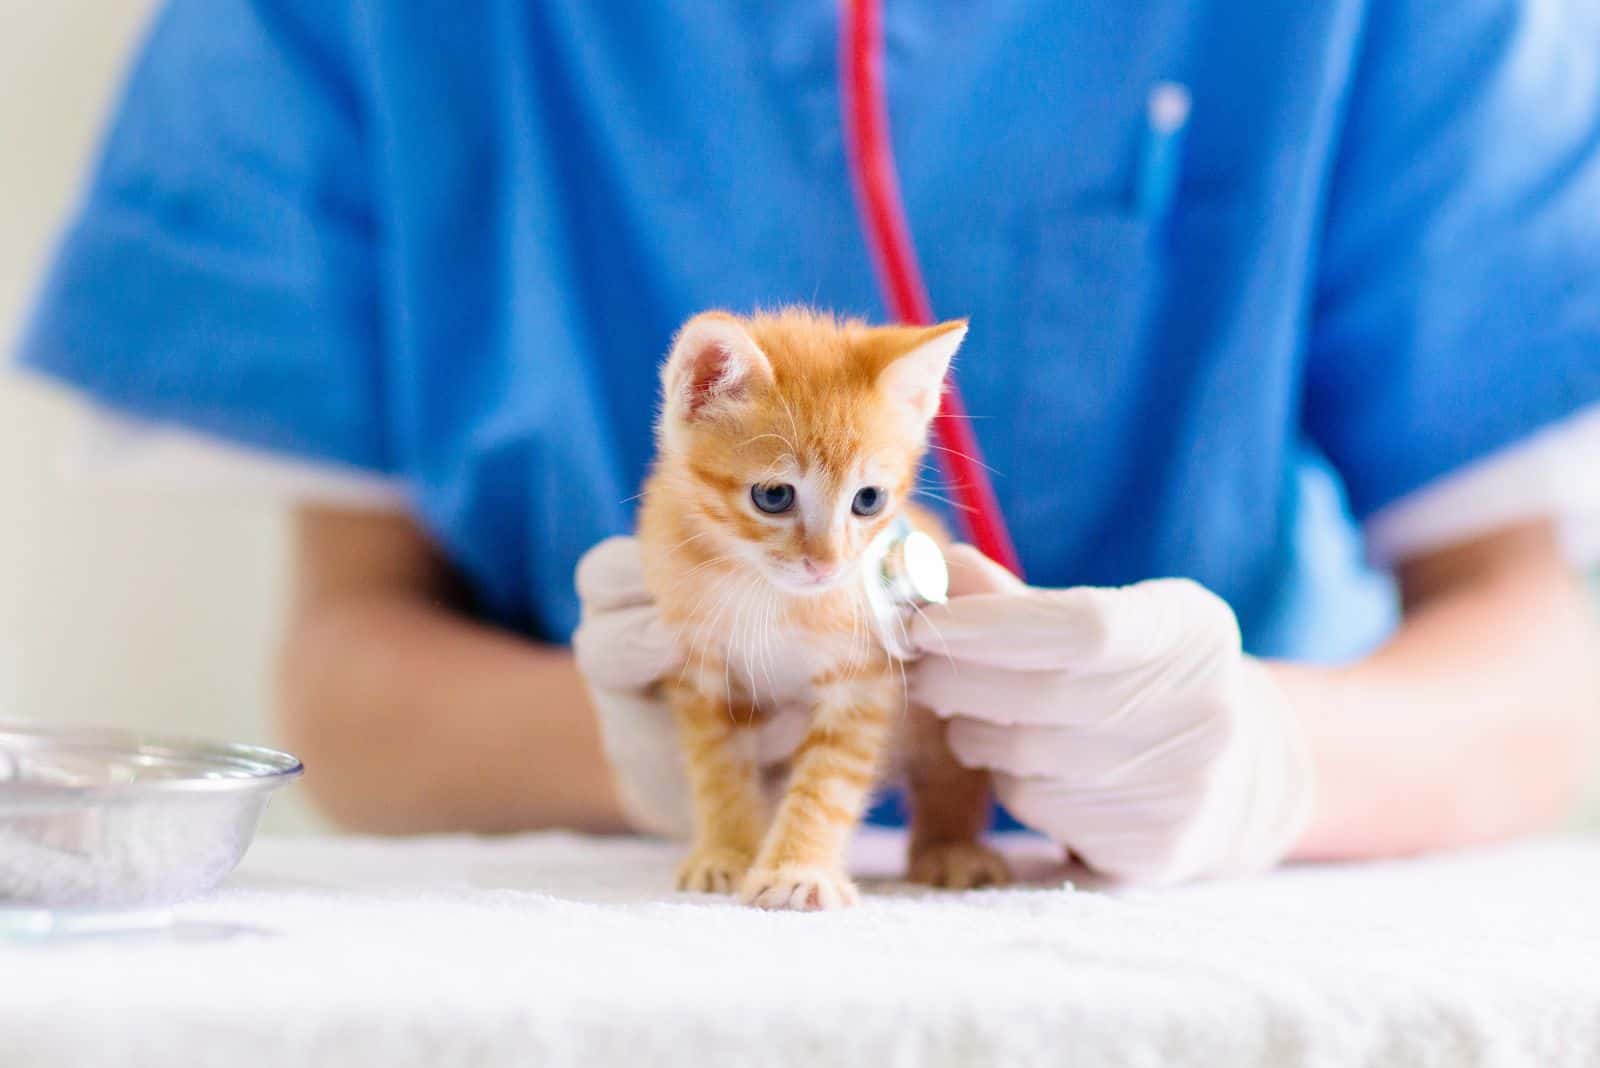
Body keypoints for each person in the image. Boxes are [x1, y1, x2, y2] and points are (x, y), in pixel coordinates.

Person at [16, 0, 1600, 883]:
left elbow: (1542, 662)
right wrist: (672, 744)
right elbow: (347, 667)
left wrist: (1276, 761)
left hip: (1249, 943)